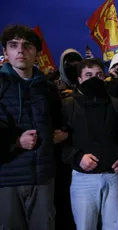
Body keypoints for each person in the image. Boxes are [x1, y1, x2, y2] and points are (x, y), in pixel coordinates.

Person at [0, 24, 66, 230]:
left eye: (27, 45)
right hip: (7, 178)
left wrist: (61, 133)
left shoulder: (47, 88)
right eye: (13, 45)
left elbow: (60, 122)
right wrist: (16, 142)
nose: (20, 50)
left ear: (37, 53)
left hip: (43, 178)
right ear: (5, 52)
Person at [61, 58, 118, 230]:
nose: (94, 79)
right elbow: (59, 141)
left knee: (113, 226)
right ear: (79, 79)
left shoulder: (116, 104)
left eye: (98, 75)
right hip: (83, 177)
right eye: (88, 75)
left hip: (111, 175)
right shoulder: (68, 105)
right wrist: (77, 157)